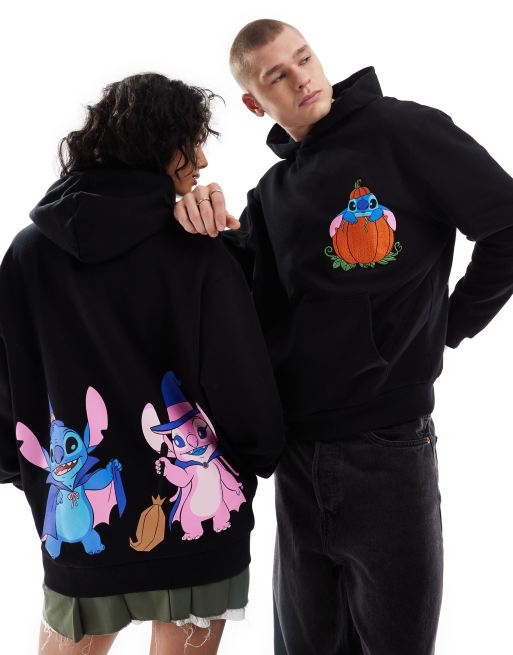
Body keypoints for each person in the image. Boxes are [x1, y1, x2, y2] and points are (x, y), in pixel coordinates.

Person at [173, 19, 513, 655]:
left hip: (387, 448)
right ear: (255, 103)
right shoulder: (272, 193)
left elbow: (505, 225)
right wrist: (201, 223)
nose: (302, 78)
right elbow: (240, 301)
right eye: (278, 76)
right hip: (298, 456)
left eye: (304, 58)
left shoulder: (404, 133)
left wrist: (450, 324)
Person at [0, 72, 286, 655]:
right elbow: (238, 374)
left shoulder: (29, 252)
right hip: (196, 525)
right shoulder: (196, 252)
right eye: (191, 143)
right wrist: (261, 451)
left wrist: (14, 463)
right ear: (158, 146)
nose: (202, 160)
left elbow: (7, 374)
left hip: (80, 531)